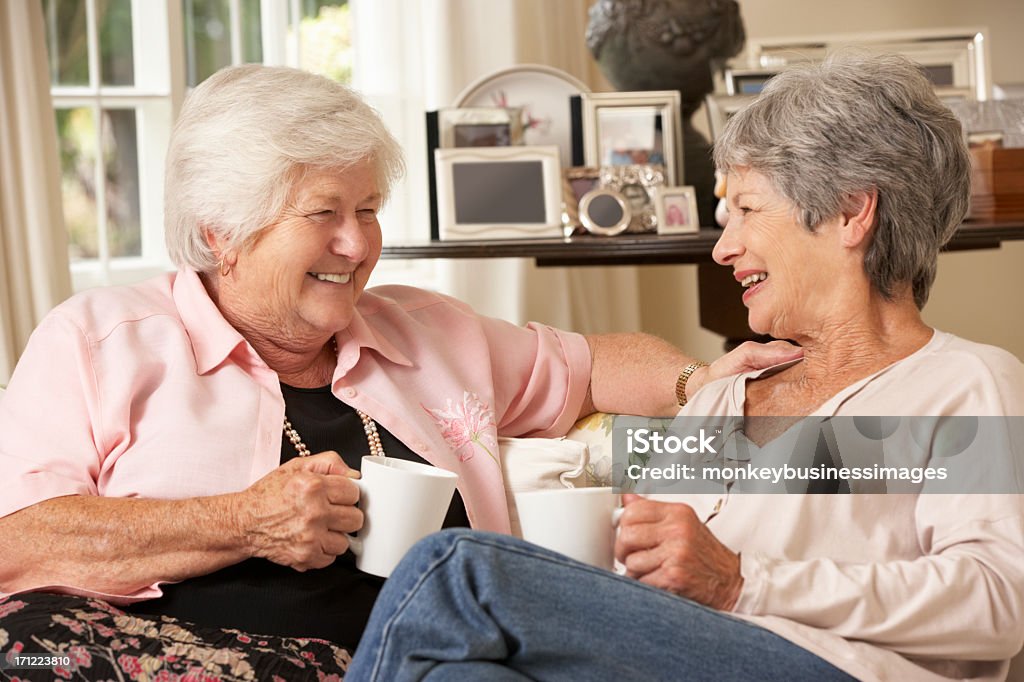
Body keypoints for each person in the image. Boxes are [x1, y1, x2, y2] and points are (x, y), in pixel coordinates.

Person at [0, 64, 798, 679]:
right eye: (324, 214)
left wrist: (706, 385)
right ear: (222, 232)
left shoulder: (428, 333)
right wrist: (244, 520)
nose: (358, 245)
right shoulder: (102, 343)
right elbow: (15, 549)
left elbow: (592, 370)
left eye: (370, 210)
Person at [346, 52, 1024, 682]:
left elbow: (999, 602)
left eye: (750, 211)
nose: (724, 250)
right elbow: (651, 585)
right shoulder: (729, 392)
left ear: (852, 211)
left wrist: (742, 580)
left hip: (834, 668)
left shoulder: (968, 383)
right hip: (684, 657)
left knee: (456, 566)